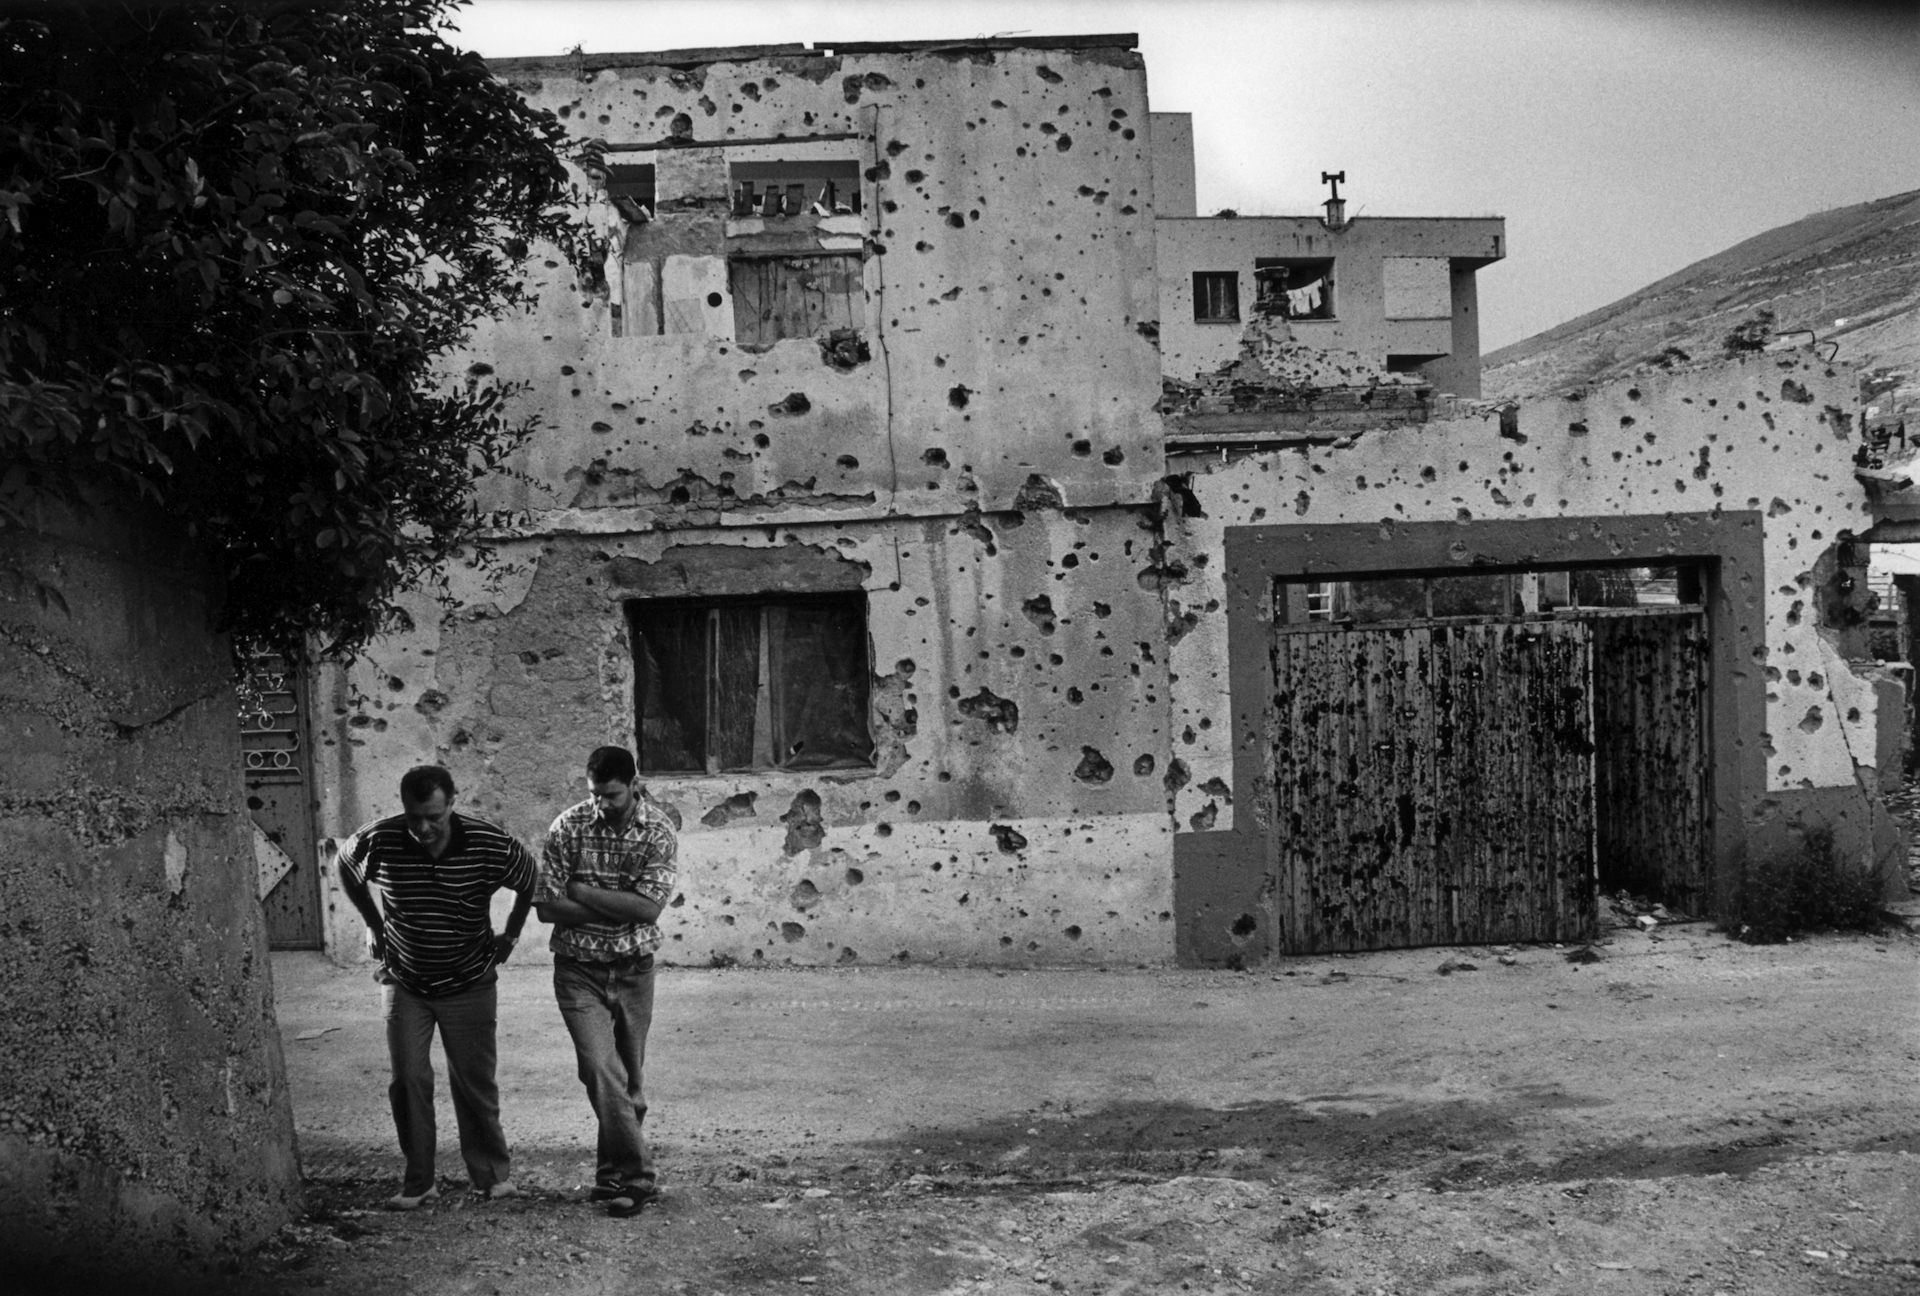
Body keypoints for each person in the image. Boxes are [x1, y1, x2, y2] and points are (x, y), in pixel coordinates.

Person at [336, 765, 535, 1210]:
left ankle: (491, 1177)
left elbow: (529, 878)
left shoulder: (488, 842)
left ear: (452, 804)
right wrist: (373, 923)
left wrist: (512, 934)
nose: (422, 828)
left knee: (473, 1082)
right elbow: (344, 866)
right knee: (408, 1078)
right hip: (405, 978)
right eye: (413, 817)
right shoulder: (381, 838)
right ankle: (419, 1182)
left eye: (433, 817)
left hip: (470, 980)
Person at [538, 745, 679, 1218]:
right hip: (578, 970)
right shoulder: (567, 826)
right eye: (595, 794)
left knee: (628, 1079)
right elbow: (546, 907)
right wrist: (617, 901)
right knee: (601, 1070)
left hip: (635, 969)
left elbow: (649, 909)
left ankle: (609, 1176)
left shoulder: (658, 830)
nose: (602, 804)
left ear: (633, 785)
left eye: (612, 795)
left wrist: (580, 890)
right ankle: (639, 1179)